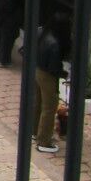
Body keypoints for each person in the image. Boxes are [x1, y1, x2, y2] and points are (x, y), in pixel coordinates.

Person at [33, 13, 70, 153]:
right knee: (49, 106)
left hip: (37, 69)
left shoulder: (42, 32)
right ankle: (44, 141)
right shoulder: (54, 44)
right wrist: (64, 74)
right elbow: (54, 68)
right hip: (47, 75)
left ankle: (35, 132)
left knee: (38, 102)